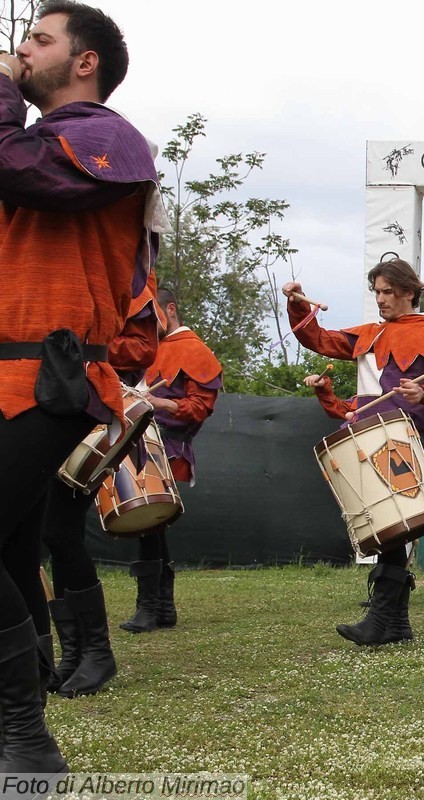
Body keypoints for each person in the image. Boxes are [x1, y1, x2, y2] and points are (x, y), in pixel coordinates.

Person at [0, 0, 161, 773]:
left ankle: (28, 738)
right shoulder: (33, 138)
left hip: (47, 376)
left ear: (85, 61)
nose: (22, 50)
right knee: (14, 547)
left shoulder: (107, 135)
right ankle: (23, 713)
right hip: (9, 374)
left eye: (38, 38)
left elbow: (19, 170)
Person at [287, 259, 424, 646]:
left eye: (388, 292)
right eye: (377, 292)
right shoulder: (368, 335)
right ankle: (395, 623)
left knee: (393, 529)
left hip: (407, 443)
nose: (381, 300)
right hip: (370, 440)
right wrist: (299, 304)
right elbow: (317, 338)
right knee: (390, 532)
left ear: (409, 293)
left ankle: (383, 619)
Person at [42, 275, 160, 697]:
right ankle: (74, 653)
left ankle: (95, 651)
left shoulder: (128, 279)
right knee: (51, 534)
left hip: (87, 410)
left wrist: (77, 345)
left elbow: (143, 348)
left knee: (60, 529)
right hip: (41, 402)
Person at [119, 287, 221, 633]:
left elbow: (199, 409)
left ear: (170, 310)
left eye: (152, 316)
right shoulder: (144, 349)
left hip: (166, 447)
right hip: (133, 441)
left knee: (148, 523)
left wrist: (159, 403)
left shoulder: (195, 351)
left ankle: (151, 606)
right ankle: (161, 607)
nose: (145, 324)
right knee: (150, 527)